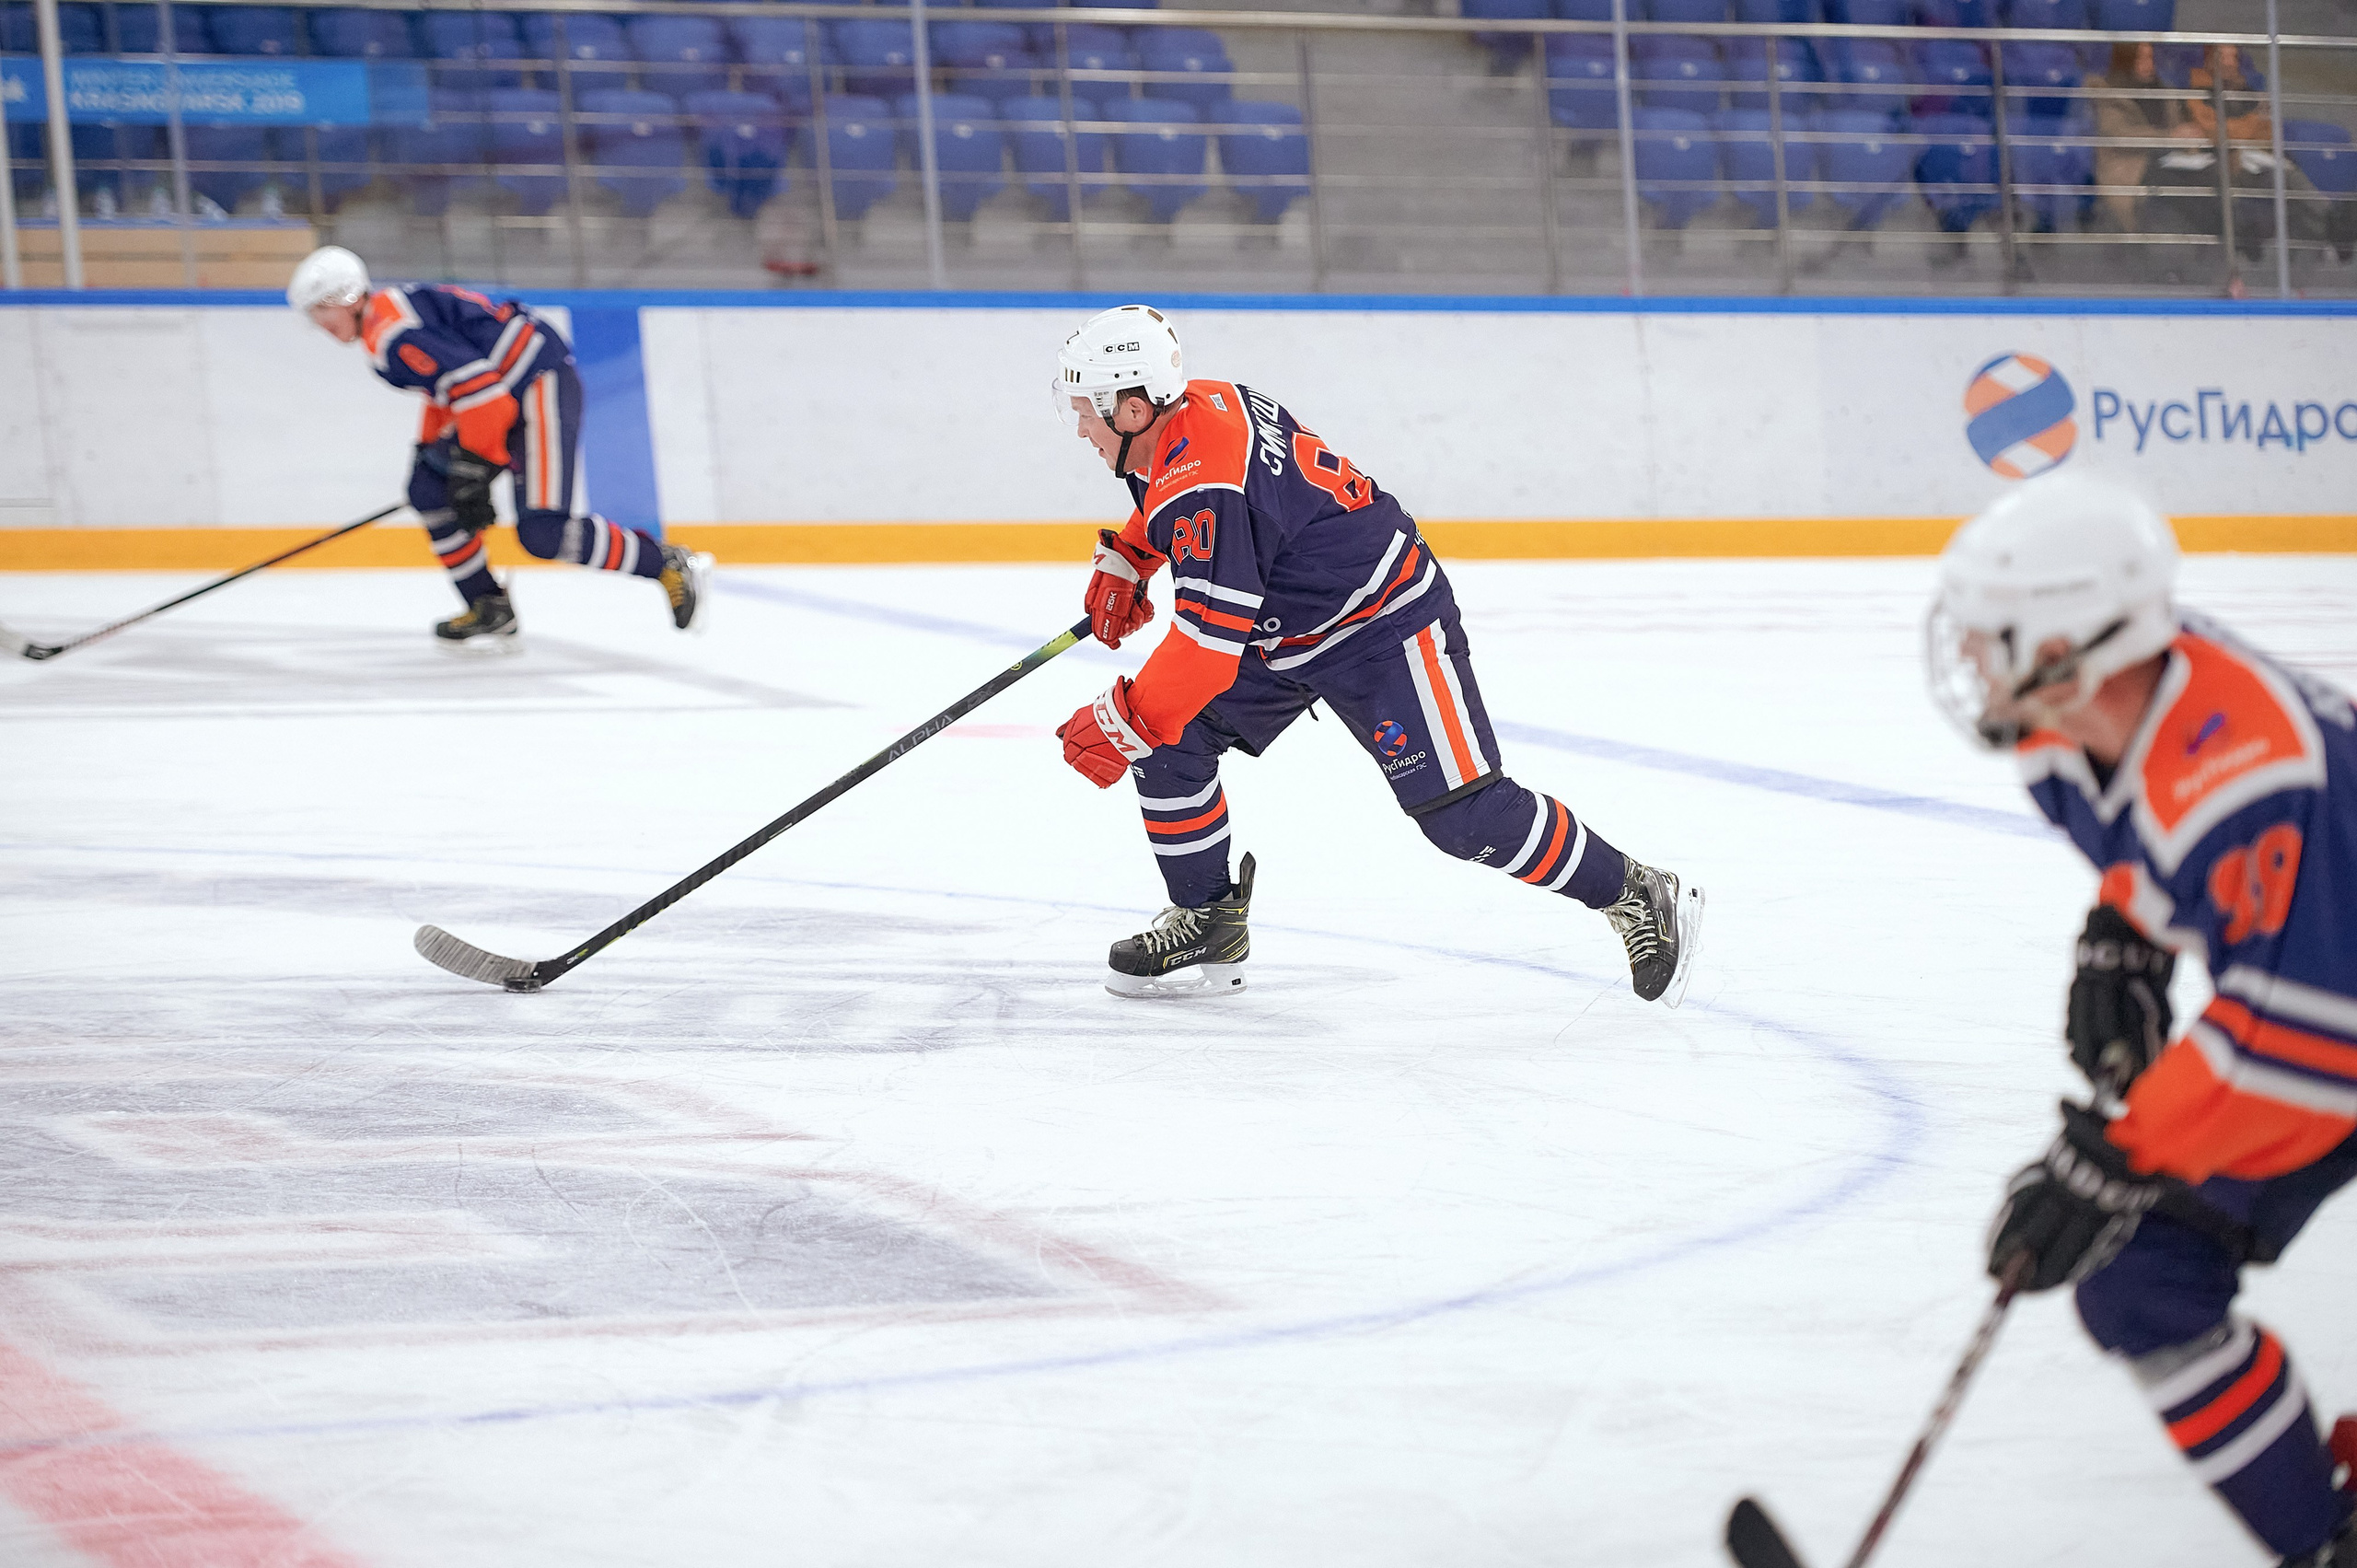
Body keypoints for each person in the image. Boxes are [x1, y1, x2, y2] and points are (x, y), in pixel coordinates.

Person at [1928, 470, 2357, 1567]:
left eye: (1993, 633)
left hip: (2327, 1025)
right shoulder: (2070, 719)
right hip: (2324, 1006)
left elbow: (2292, 1049)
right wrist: (2122, 931)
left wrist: (2112, 1156)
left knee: (2131, 1236)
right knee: (2141, 1277)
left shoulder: (2250, 773)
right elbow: (2151, 847)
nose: (1970, 656)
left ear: (2072, 640)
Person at [1048, 304, 1702, 1003]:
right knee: (1171, 738)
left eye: (1089, 409)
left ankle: (1635, 891)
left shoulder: (1203, 479)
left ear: (1136, 407)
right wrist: (1133, 554)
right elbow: (1187, 504)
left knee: (1465, 818)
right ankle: (1209, 917)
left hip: (1381, 625)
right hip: (1291, 627)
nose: (1080, 426)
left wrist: (1124, 720)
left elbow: (1207, 647)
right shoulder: (1194, 408)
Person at [285, 245, 711, 650]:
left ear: (348, 297)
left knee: (543, 531)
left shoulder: (392, 334)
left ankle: (665, 562)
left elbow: (482, 395)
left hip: (538, 388)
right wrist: (432, 453)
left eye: (322, 309)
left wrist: (474, 469)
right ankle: (487, 603)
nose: (319, 322)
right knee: (428, 487)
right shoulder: (387, 319)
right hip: (509, 392)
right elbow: (449, 393)